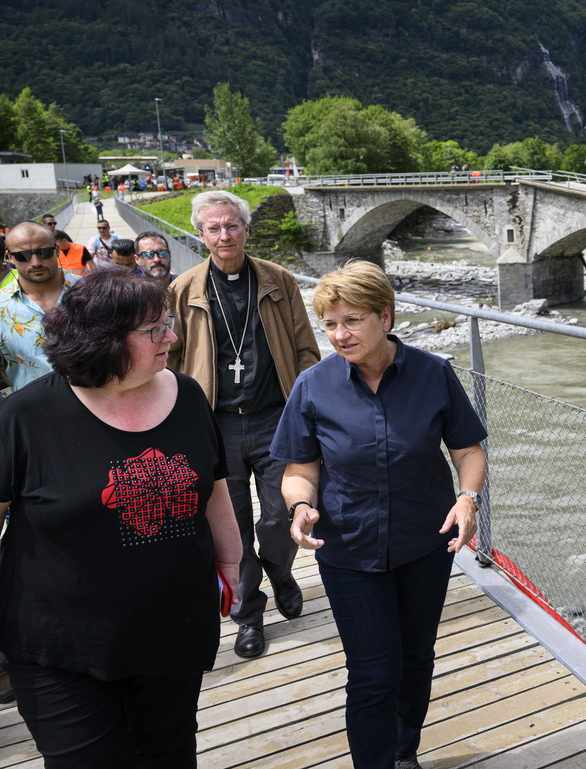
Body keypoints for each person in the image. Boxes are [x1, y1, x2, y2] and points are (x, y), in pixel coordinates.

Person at [0, 269, 242, 767]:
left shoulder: (188, 395)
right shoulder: (25, 417)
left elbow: (213, 485)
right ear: (103, 341)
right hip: (62, 645)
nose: (171, 336)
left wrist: (232, 563)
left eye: (168, 322)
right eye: (155, 329)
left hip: (172, 635)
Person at [271, 261, 486, 769]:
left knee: (415, 661)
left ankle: (403, 753)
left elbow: (468, 450)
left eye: (351, 320)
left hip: (424, 544)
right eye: (329, 323)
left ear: (385, 317)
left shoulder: (434, 374)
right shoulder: (312, 385)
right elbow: (299, 470)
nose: (339, 335)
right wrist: (301, 505)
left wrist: (467, 498)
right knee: (372, 671)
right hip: (348, 548)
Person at [168, 190, 320, 659]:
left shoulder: (278, 280)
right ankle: (248, 614)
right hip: (215, 424)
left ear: (246, 229)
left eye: (231, 225)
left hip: (276, 417)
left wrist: (308, 405)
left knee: (280, 516)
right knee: (231, 527)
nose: (223, 235)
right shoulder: (184, 289)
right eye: (213, 228)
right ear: (200, 234)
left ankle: (281, 570)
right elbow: (170, 360)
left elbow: (305, 349)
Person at [0, 223, 80, 394]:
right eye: (23, 256)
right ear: (9, 257)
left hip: (97, 407)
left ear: (57, 249)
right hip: (30, 412)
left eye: (43, 252)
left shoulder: (92, 292)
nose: (35, 262)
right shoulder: (1, 305)